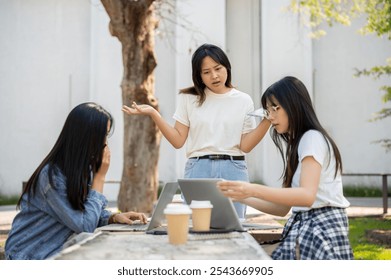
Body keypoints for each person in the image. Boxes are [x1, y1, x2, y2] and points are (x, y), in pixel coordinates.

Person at [122, 43, 271, 219]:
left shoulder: (243, 100)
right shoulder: (189, 98)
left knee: (234, 226)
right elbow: (178, 140)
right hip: (199, 168)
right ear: (199, 76)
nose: (214, 76)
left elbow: (245, 146)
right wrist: (153, 113)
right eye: (206, 72)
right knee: (195, 227)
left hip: (234, 168)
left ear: (227, 67)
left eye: (218, 68)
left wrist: (267, 121)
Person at [217, 76, 354, 260]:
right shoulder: (299, 143)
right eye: (267, 110)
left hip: (320, 229)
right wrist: (241, 196)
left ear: (294, 104)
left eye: (275, 108)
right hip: (310, 226)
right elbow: (282, 208)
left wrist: (253, 189)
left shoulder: (311, 138)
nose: (270, 117)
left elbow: (306, 196)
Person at [5, 102, 147, 260]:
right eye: (103, 135)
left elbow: (81, 214)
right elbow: (84, 226)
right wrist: (100, 177)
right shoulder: (51, 176)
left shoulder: (80, 168)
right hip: (28, 256)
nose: (105, 143)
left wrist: (112, 218)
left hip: (54, 251)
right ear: (86, 137)